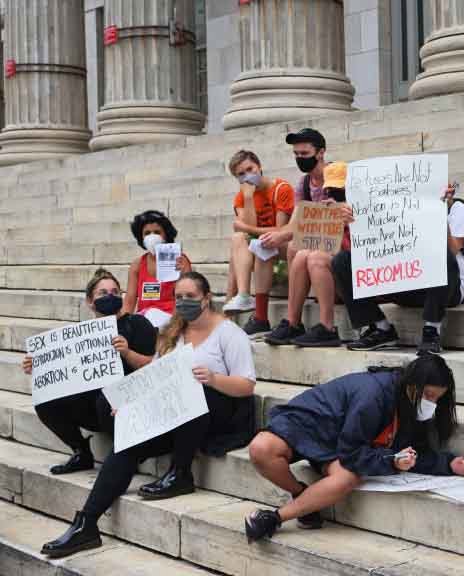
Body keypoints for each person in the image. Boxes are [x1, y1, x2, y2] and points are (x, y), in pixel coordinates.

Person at [40, 272, 257, 559]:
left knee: (194, 388)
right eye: (178, 297)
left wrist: (213, 378)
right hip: (177, 412)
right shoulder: (172, 331)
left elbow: (247, 386)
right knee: (128, 442)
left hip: (218, 409)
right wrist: (132, 404)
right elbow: (156, 376)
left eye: (190, 297)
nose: (183, 302)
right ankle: (87, 524)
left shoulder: (229, 333)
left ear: (206, 299)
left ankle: (181, 472)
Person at [244, 354, 464, 542]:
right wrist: (391, 461)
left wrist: (450, 464)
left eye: (437, 398)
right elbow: (352, 452)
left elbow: (415, 452)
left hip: (338, 444)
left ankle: (275, 517)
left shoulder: (411, 406)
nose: (431, 403)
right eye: (428, 395)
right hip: (312, 423)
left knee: (347, 479)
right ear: (412, 385)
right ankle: (300, 493)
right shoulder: (374, 395)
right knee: (261, 448)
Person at [21, 268, 156, 475]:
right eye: (103, 293)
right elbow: (65, 374)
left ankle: (128, 453)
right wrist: (39, 367)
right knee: (45, 402)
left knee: (106, 396)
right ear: (90, 302)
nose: (110, 296)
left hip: (130, 400)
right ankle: (81, 452)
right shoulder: (82, 336)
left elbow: (153, 366)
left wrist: (127, 353)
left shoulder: (138, 323)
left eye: (115, 291)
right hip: (95, 407)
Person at [332, 180, 464, 355]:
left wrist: (438, 214)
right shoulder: (396, 210)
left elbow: (453, 249)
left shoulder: (458, 209)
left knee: (442, 253)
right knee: (342, 261)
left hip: (446, 289)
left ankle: (432, 330)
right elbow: (370, 250)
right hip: (407, 283)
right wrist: (354, 220)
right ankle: (380, 328)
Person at [261, 132, 353, 347]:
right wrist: (278, 235)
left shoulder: (341, 175)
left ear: (321, 153)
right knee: (298, 250)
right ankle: (293, 322)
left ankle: (327, 326)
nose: (300, 158)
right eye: (296, 154)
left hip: (345, 246)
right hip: (323, 243)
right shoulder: (304, 184)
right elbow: (297, 223)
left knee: (309, 255)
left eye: (305, 153)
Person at [221, 149, 296, 336]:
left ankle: (239, 313)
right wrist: (248, 198)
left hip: (284, 246)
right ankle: (244, 296)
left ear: (259, 166)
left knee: (259, 242)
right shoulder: (242, 196)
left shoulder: (281, 189)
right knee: (238, 240)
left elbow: (281, 230)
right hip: (262, 247)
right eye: (241, 174)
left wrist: (249, 230)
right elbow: (246, 229)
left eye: (250, 169)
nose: (247, 175)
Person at [123, 210, 192, 329]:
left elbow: (188, 294)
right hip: (144, 320)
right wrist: (123, 325)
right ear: (141, 237)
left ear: (165, 235)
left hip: (171, 318)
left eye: (157, 232)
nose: (152, 236)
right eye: (147, 233)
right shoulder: (137, 265)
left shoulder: (180, 260)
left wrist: (184, 272)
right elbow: (129, 300)